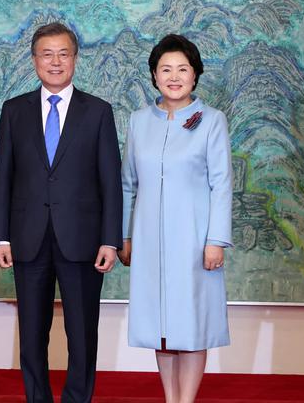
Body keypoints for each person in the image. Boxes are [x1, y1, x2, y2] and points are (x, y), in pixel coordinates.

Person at [0, 22, 123, 403]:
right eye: (46, 54)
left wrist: (110, 240)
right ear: (34, 60)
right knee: (32, 333)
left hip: (82, 240)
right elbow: (4, 176)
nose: (55, 61)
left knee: (82, 333)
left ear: (75, 59)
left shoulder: (97, 111)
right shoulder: (14, 111)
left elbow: (110, 181)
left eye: (63, 53)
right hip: (27, 239)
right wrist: (1, 235)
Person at [119, 33, 233, 403]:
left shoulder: (212, 121)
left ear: (195, 75)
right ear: (154, 75)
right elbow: (126, 184)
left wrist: (216, 240)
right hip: (149, 242)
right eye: (165, 69)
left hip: (195, 242)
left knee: (192, 324)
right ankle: (170, 398)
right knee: (161, 328)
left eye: (182, 69)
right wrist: (125, 235)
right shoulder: (138, 122)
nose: (174, 76)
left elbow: (222, 184)